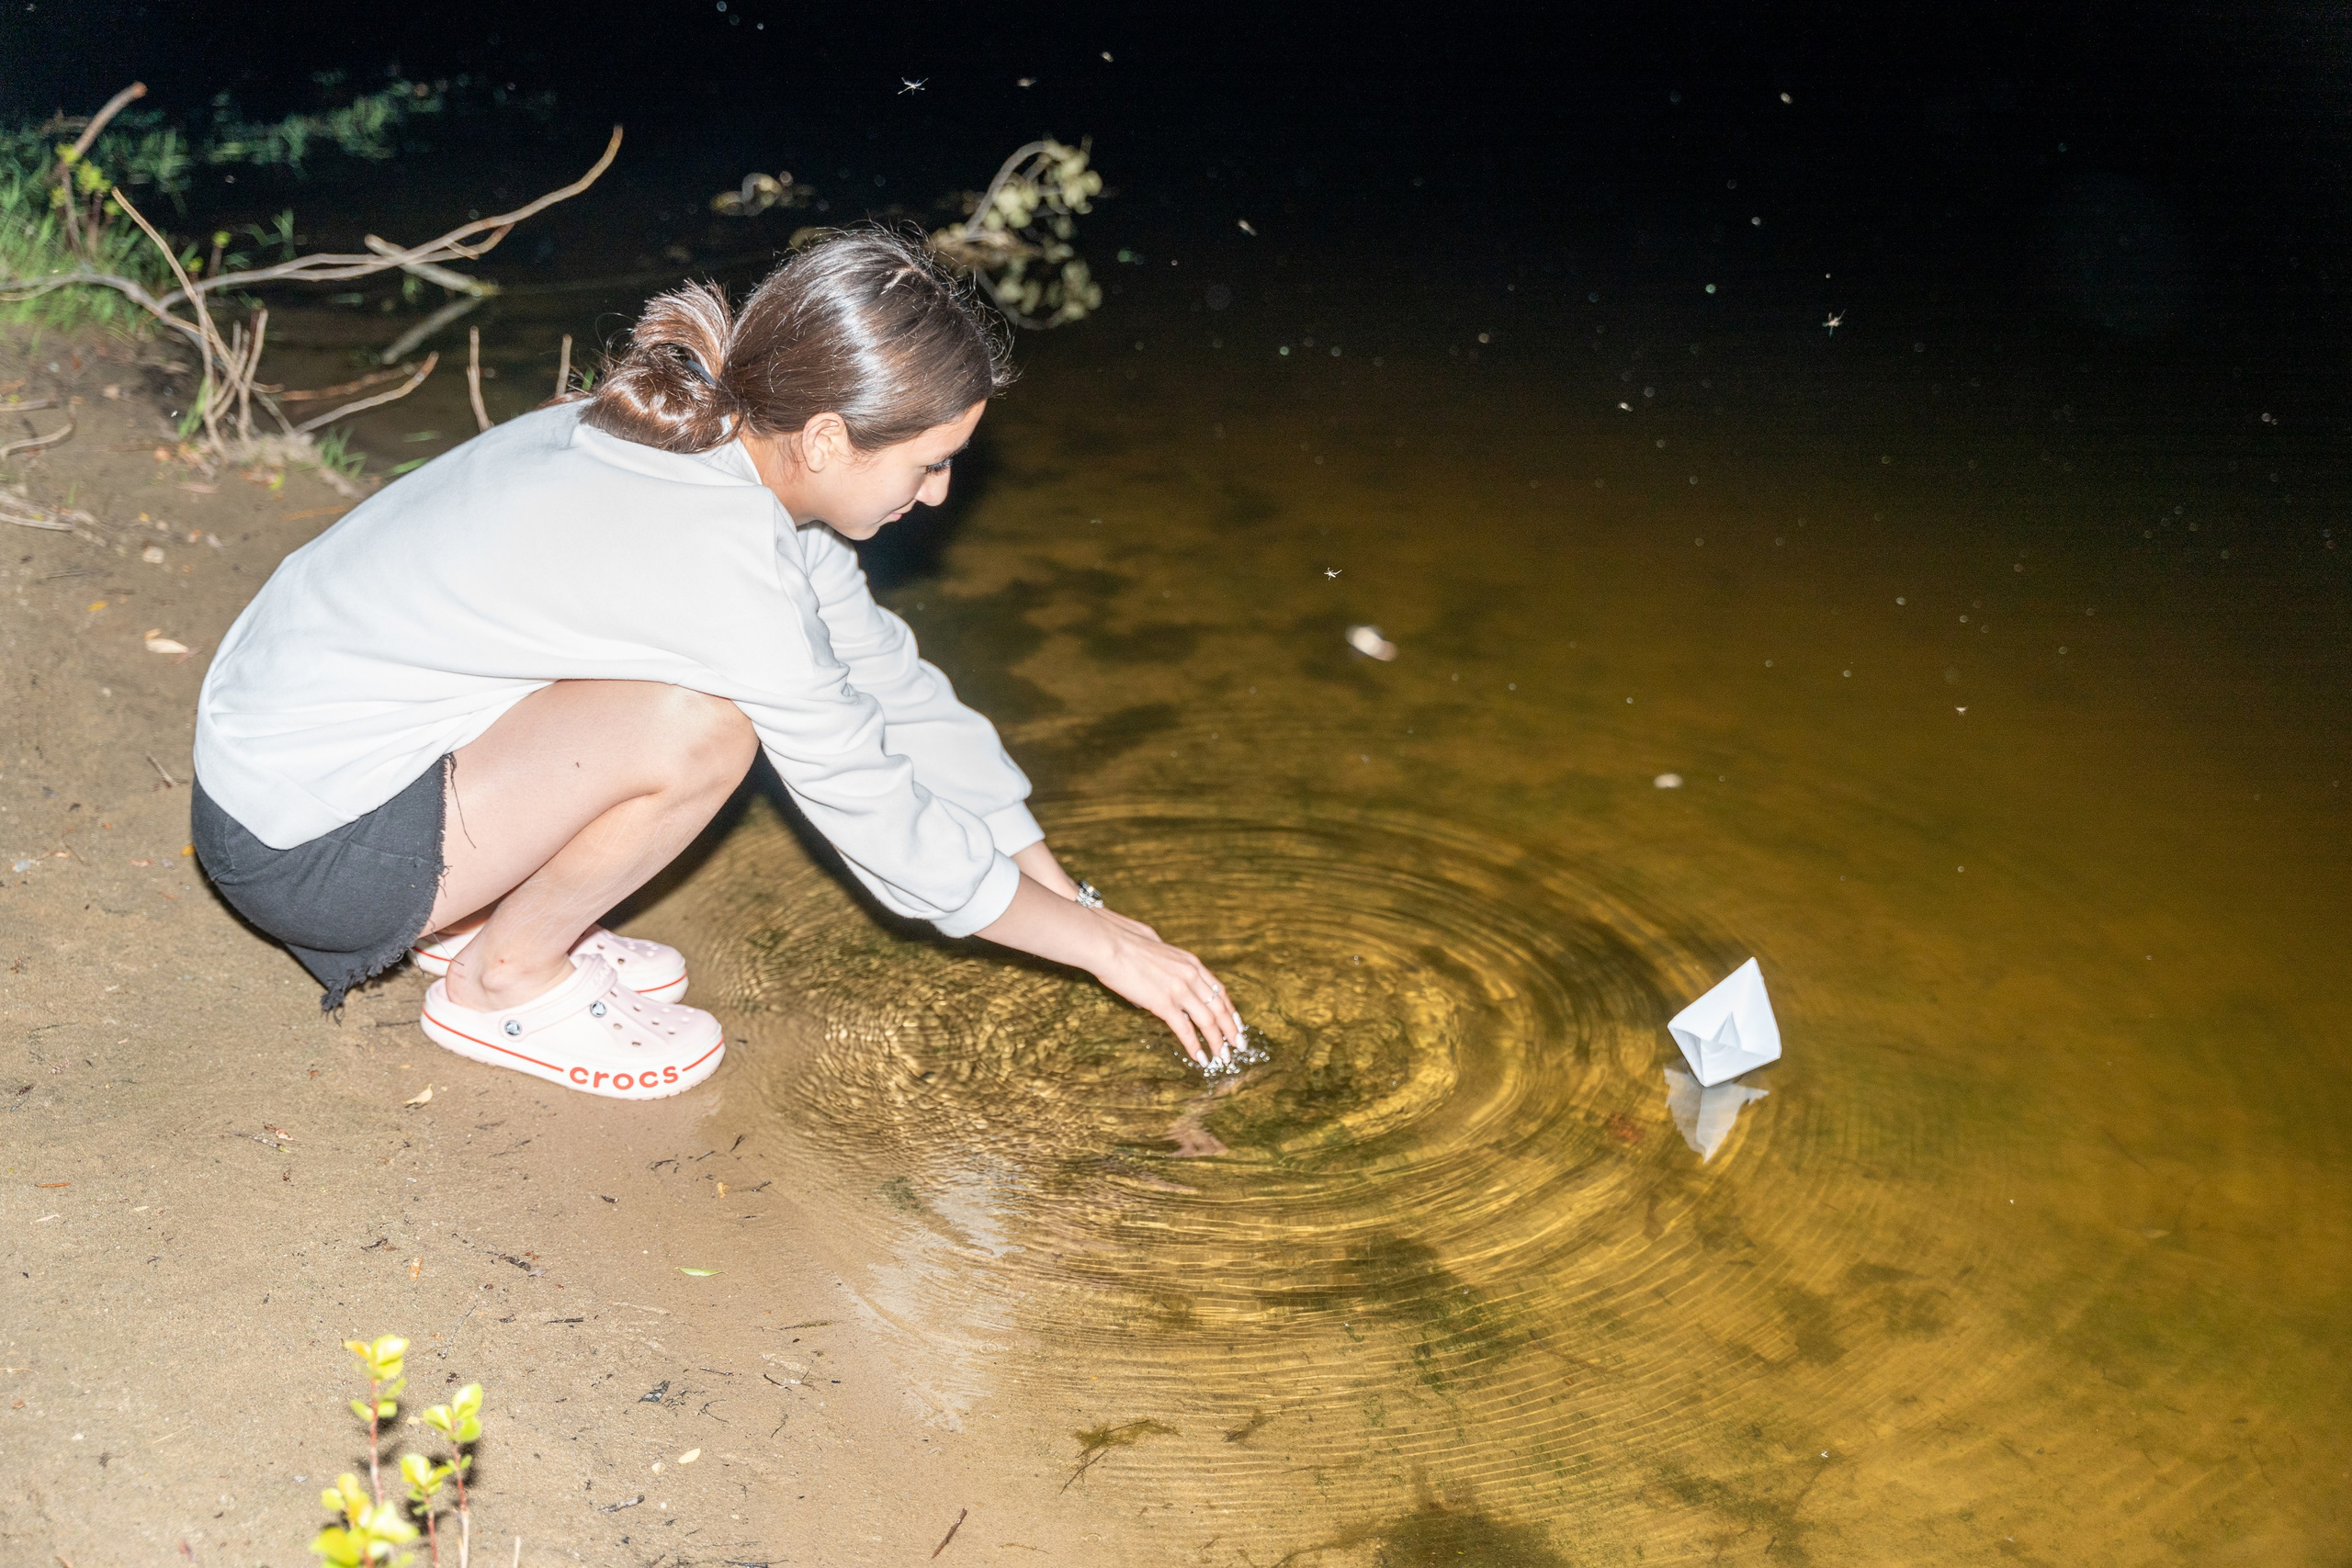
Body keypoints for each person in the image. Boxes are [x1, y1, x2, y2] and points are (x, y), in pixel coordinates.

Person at [190, 230, 1242, 1100]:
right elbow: (878, 815)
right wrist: (1104, 953)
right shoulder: (719, 562)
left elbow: (890, 688)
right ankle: (500, 981)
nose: (936, 498)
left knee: (682, 686)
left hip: (288, 773)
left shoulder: (711, 446)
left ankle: (476, 913)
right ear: (828, 439)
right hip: (308, 853)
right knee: (707, 727)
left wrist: (1062, 888)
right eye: (931, 465)